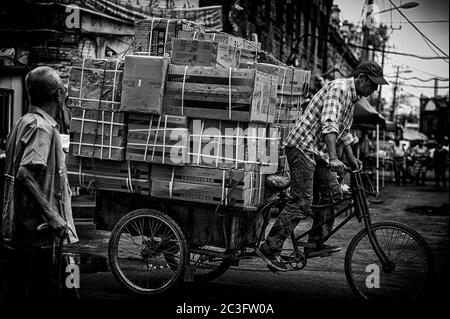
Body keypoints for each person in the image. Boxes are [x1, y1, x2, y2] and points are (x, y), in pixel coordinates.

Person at [256, 61, 388, 271]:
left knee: (332, 193)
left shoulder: (351, 99)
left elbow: (344, 133)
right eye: (373, 85)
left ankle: (314, 243)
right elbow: (329, 124)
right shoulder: (340, 89)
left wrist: (351, 159)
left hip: (317, 153)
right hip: (302, 147)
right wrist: (335, 158)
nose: (374, 90)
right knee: (302, 200)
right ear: (362, 78)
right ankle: (270, 248)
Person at [2, 66, 78, 299]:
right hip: (39, 236)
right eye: (63, 91)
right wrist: (52, 216)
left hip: (21, 233)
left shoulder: (23, 122)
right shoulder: (41, 128)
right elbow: (25, 175)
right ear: (58, 95)